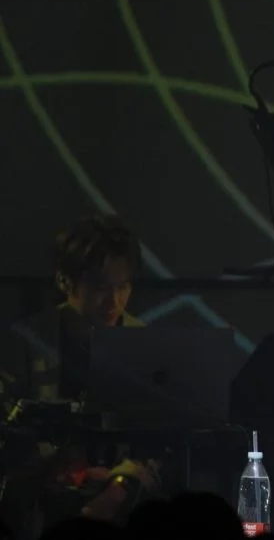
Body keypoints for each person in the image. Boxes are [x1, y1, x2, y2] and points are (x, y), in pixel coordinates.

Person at [1, 215, 160, 536]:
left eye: (122, 287)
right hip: (43, 492)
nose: (113, 301)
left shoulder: (142, 341)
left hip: (123, 490)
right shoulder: (28, 342)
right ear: (65, 281)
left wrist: (118, 486)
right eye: (100, 287)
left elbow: (158, 441)